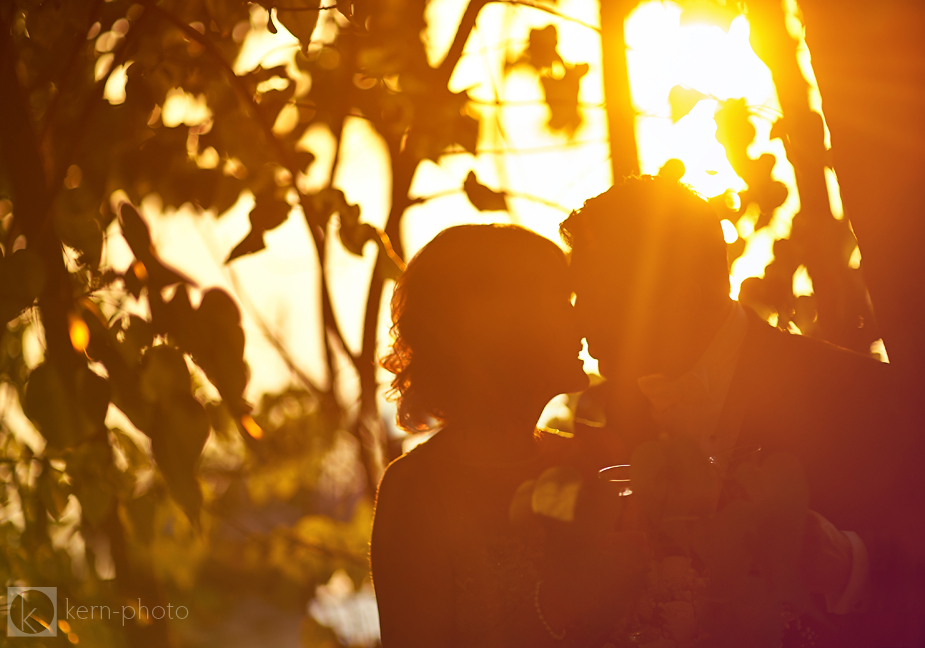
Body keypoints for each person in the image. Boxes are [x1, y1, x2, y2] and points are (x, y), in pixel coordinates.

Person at [560, 175, 923, 646]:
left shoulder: (856, 391)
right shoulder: (621, 412)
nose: (579, 315)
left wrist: (850, 564)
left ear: (679, 286)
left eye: (595, 292)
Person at [370, 224, 641, 647]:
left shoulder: (592, 458)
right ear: (501, 327)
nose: (580, 319)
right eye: (559, 301)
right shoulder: (418, 493)